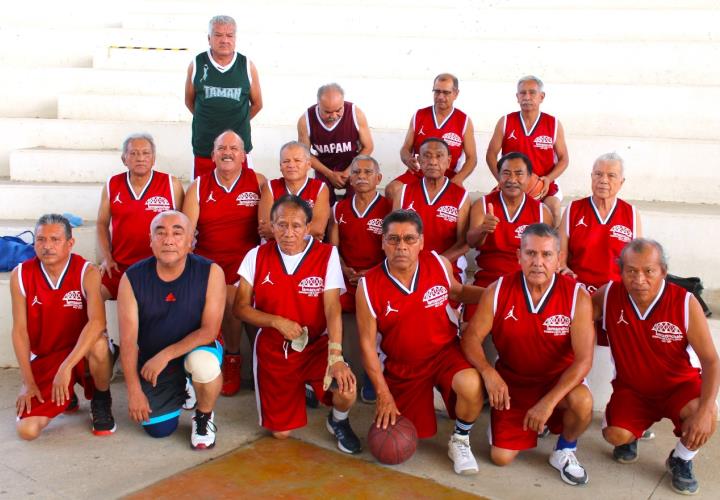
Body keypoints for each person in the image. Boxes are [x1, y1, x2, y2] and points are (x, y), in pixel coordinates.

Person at [462, 223, 594, 486]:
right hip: (514, 382)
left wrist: (548, 401)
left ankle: (565, 450)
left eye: (546, 255)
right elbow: (471, 338)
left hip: (557, 381)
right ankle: (517, 423)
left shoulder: (577, 296)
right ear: (518, 256)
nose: (538, 262)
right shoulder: (497, 291)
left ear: (558, 259)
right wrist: (489, 372)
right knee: (500, 457)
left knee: (583, 402)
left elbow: (584, 360)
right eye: (531, 253)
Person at [356, 209, 484, 475]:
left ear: (421, 242)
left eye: (409, 239)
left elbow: (459, 292)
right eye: (393, 239)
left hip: (444, 354)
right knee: (398, 439)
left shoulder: (438, 263)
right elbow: (368, 346)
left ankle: (460, 439)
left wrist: (498, 294)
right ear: (382, 242)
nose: (401, 246)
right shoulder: (368, 285)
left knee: (471, 384)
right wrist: (383, 394)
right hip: (403, 365)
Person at [234, 195, 361, 454]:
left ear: (308, 227)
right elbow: (240, 308)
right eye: (281, 225)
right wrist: (275, 321)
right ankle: (301, 389)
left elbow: (332, 308)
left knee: (346, 389)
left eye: (296, 226)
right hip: (274, 350)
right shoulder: (256, 255)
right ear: (271, 225)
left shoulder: (326, 254)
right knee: (281, 434)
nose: (288, 233)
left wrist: (335, 355)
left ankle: (338, 421)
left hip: (315, 345)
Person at [592, 239, 719, 495]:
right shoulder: (608, 295)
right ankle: (635, 432)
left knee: (704, 414)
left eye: (648, 270)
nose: (639, 278)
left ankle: (681, 459)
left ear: (663, 270)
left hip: (678, 387)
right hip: (633, 390)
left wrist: (707, 409)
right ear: (621, 271)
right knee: (615, 436)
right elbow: (575, 313)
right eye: (631, 270)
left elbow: (711, 360)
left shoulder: (685, 302)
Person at [118, 211, 226, 449]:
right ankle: (183, 387)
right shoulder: (132, 278)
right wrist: (134, 391)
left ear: (191, 241)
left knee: (203, 365)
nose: (168, 240)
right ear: (150, 240)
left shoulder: (211, 272)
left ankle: (204, 414)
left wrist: (165, 355)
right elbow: (127, 342)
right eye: (161, 232)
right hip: (155, 361)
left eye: (177, 233)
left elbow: (209, 331)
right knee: (158, 429)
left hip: (196, 349)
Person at [11, 214, 115, 440]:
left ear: (70, 243)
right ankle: (67, 395)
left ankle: (101, 398)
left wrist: (66, 367)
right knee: (27, 431)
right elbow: (19, 331)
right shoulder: (20, 275)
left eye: (55, 239)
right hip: (46, 357)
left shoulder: (86, 272)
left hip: (81, 353)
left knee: (99, 344)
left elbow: (97, 322)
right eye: (40, 239)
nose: (47, 246)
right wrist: (28, 383)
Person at [183, 130, 266, 396]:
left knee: (242, 294)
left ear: (243, 155)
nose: (227, 152)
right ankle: (232, 357)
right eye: (221, 148)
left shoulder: (259, 182)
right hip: (210, 264)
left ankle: (262, 364)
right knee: (229, 294)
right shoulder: (198, 186)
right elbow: (186, 231)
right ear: (213, 154)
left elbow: (267, 228)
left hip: (248, 263)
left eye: (233, 148)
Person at [97, 133, 184, 300]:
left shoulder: (171, 184)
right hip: (120, 267)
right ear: (124, 159)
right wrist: (106, 258)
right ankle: (99, 326)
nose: (140, 158)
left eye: (145, 153)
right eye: (134, 153)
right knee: (91, 295)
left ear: (153, 159)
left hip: (159, 266)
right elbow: (101, 224)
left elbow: (185, 227)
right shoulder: (112, 185)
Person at [465, 152, 551, 320]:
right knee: (469, 330)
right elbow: (470, 241)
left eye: (519, 174)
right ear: (499, 176)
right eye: (506, 173)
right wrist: (483, 229)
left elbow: (547, 255)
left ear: (529, 177)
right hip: (488, 278)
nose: (512, 179)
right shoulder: (482, 204)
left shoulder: (542, 212)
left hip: (525, 281)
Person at [185, 15, 263, 178]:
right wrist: (209, 119)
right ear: (209, 38)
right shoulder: (197, 63)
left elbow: (257, 104)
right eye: (218, 35)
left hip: (238, 147)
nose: (224, 40)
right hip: (205, 146)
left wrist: (238, 119)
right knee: (201, 195)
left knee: (242, 196)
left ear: (235, 38)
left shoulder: (247, 65)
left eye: (229, 35)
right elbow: (189, 101)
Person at [485, 75, 569, 226]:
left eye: (532, 93)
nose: (527, 97)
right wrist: (501, 179)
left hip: (541, 185)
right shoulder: (505, 122)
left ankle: (551, 247)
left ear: (541, 97)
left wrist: (548, 179)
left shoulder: (553, 124)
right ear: (517, 97)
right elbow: (491, 155)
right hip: (512, 182)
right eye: (523, 93)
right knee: (488, 209)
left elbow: (564, 159)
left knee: (554, 209)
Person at [385, 73, 477, 201]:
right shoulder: (419, 115)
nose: (440, 97)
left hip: (447, 177)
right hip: (418, 174)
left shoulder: (464, 121)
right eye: (437, 92)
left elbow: (472, 158)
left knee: (462, 202)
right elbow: (405, 148)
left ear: (456, 94)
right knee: (392, 189)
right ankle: (403, 221)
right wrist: (407, 158)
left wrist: (458, 179)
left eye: (446, 93)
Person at [560, 152, 642, 295]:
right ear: (591, 177)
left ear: (621, 182)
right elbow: (559, 257)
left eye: (611, 175)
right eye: (598, 174)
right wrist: (564, 270)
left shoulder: (631, 214)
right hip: (579, 291)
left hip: (616, 294)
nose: (603, 180)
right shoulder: (573, 209)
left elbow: (638, 262)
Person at [394, 138, 469, 283]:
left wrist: (435, 263)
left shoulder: (461, 196)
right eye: (427, 156)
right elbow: (395, 236)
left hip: (447, 266)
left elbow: (464, 243)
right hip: (408, 266)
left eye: (439, 156)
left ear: (448, 161)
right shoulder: (403, 193)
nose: (433, 162)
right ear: (419, 161)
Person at [328, 155, 391, 313]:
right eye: (356, 172)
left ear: (378, 178)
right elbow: (333, 248)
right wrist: (343, 268)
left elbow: (395, 251)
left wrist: (373, 272)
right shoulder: (338, 208)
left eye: (368, 172)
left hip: (380, 275)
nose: (361, 176)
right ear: (350, 179)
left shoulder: (390, 209)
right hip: (346, 277)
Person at [297, 83, 374, 203]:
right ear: (318, 104)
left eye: (338, 110)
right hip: (324, 166)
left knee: (358, 197)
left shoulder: (355, 113)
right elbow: (304, 154)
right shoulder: (305, 120)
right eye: (327, 112)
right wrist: (329, 174)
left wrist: (349, 171)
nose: (333, 116)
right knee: (322, 198)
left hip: (352, 163)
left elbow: (368, 147)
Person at [258, 141, 330, 241]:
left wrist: (278, 230)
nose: (291, 165)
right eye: (286, 161)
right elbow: (266, 229)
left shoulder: (320, 188)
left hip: (308, 252)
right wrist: (306, 231)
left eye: (297, 160)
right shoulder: (269, 187)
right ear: (280, 166)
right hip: (274, 249)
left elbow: (318, 229)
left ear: (308, 165)